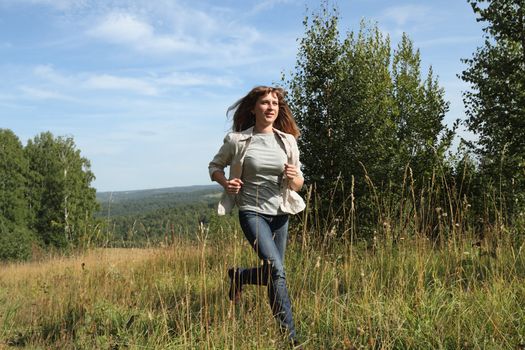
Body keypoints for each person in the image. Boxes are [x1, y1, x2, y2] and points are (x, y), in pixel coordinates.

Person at [208, 86, 305, 345]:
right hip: (252, 211)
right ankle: (290, 338)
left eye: (274, 103)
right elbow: (215, 166)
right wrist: (226, 183)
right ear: (254, 108)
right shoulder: (238, 140)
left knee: (274, 273)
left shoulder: (287, 141)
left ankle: (240, 276)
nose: (270, 107)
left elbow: (298, 184)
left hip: (280, 213)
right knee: (277, 269)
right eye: (264, 103)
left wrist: (295, 179)